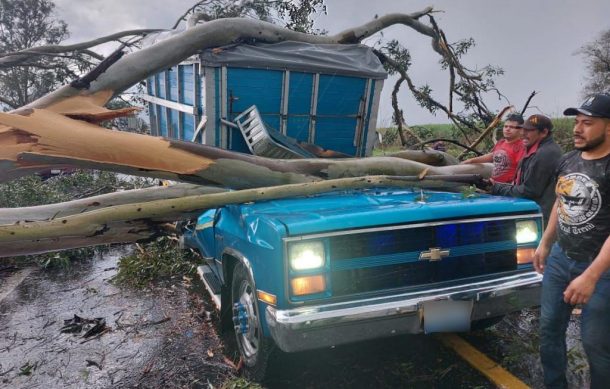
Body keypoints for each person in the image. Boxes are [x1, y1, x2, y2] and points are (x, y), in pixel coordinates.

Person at [534, 93, 610, 389]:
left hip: (601, 270)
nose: (577, 128)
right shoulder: (568, 159)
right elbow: (561, 201)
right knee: (549, 333)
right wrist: (546, 242)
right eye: (577, 121)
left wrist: (591, 276)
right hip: (560, 259)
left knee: (597, 346)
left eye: (587, 123)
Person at [490, 114, 562, 224]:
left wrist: (495, 188)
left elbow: (529, 191)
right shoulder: (534, 149)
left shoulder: (545, 154)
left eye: (529, 131)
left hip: (542, 217)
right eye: (523, 130)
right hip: (536, 212)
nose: (523, 134)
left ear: (544, 132)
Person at [463, 112, 525, 183]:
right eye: (505, 126)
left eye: (511, 127)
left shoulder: (521, 146)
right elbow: (492, 156)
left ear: (521, 130)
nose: (507, 129)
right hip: (491, 184)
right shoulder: (501, 142)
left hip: (506, 187)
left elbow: (521, 169)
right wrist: (470, 161)